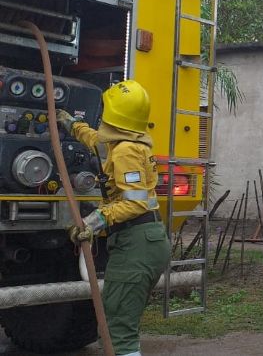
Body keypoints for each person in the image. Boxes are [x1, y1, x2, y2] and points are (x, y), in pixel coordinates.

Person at [59, 80, 169, 356]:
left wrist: (93, 222)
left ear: (114, 115)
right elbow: (95, 141)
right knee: (117, 320)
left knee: (118, 330)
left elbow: (134, 203)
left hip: (136, 244)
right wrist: (71, 124)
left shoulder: (125, 151)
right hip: (142, 241)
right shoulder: (125, 143)